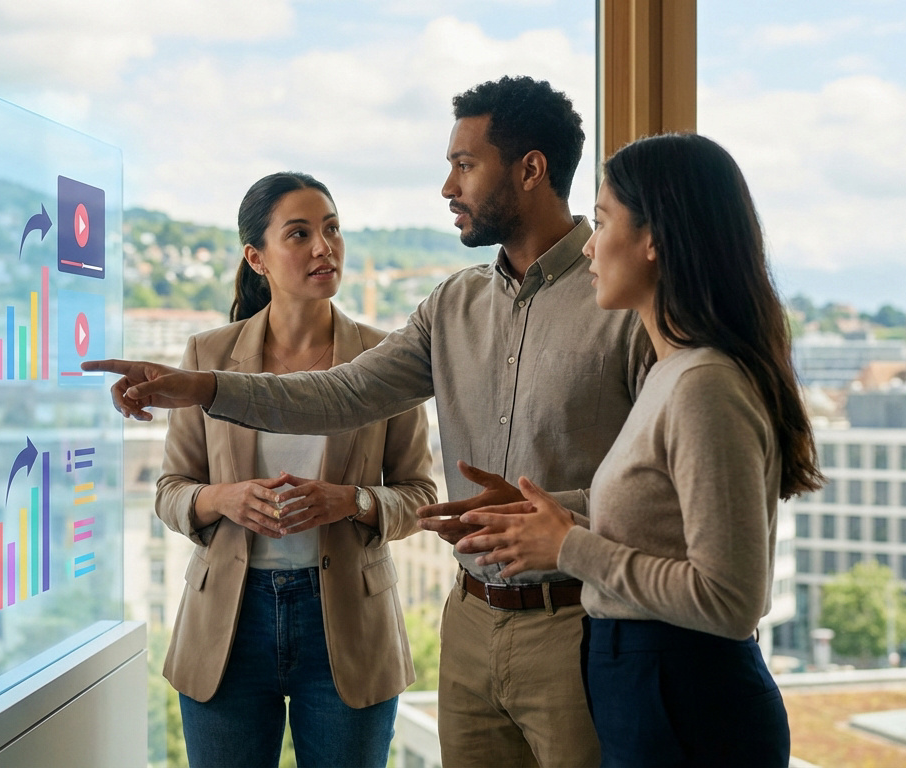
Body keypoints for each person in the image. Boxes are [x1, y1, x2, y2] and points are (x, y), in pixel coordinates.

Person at [86, 77, 651, 767]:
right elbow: (338, 395)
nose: (448, 187)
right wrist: (202, 387)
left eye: (465, 166)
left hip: (580, 623)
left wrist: (549, 515)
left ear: (531, 169)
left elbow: (664, 491)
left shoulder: (626, 304)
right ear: (256, 259)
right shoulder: (451, 307)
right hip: (469, 621)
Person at [458, 133, 825, 767]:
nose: (590, 246)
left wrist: (567, 547)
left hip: (686, 698)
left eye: (601, 222)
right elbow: (658, 527)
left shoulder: (705, 385)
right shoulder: (671, 373)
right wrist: (545, 519)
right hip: (646, 685)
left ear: (654, 239)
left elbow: (729, 600)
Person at [153, 171, 437, 768]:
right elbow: (171, 491)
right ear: (256, 257)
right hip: (229, 622)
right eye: (300, 233)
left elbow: (419, 494)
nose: (323, 247)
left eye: (332, 229)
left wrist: (353, 502)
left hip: (348, 625)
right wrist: (223, 499)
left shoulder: (387, 359)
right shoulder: (209, 356)